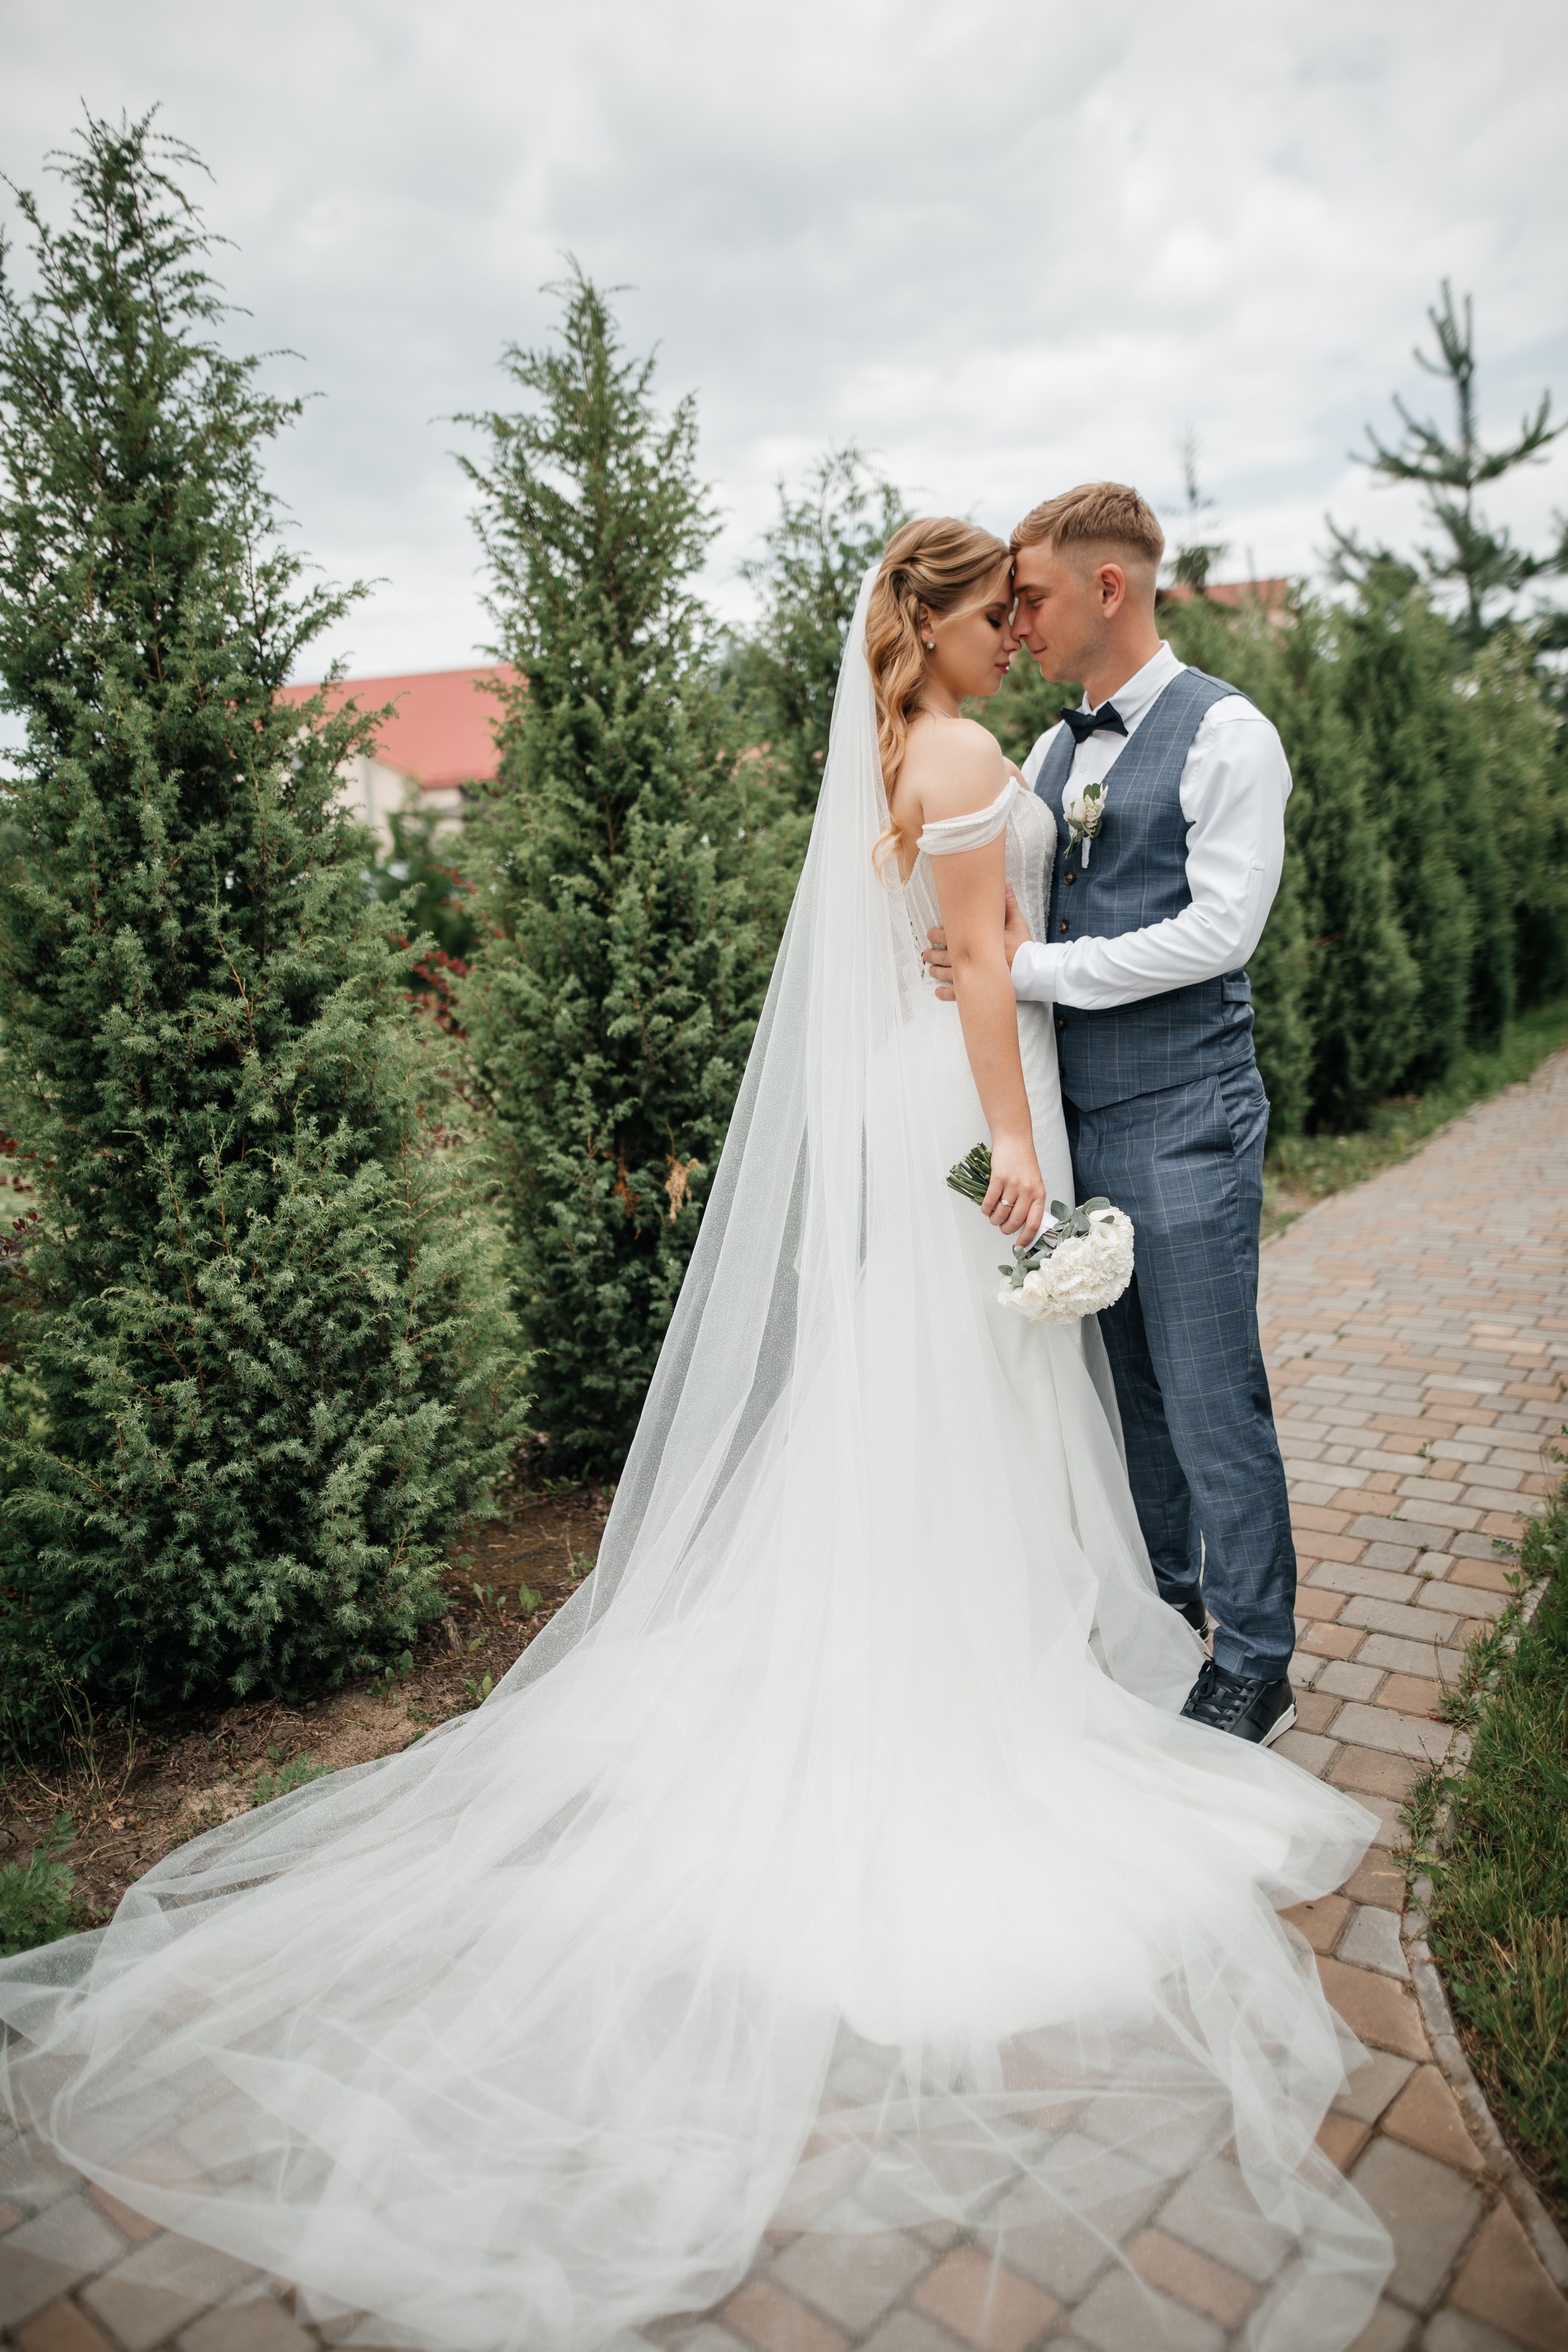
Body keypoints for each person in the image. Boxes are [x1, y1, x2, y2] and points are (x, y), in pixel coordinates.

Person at [0, 524, 1389, 2352]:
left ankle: (970, 1650)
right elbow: (981, 970)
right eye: (997, 613)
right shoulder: (977, 754)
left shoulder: (925, 752)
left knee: (945, 1417)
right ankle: (980, 1696)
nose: (1017, 633)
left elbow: (985, 946)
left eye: (1031, 608)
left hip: (955, 1091)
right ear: (946, 620)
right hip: (985, 1099)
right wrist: (1026, 1149)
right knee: (985, 1411)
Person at [925, 483, 1298, 1747]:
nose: (1013, 619)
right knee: (1115, 1395)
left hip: (1184, 1109)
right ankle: (1157, 1615)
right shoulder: (1042, 750)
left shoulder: (1225, 736)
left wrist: (1028, 972)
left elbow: (1215, 933)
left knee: (1206, 1396)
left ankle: (1252, 1658)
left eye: (1027, 594)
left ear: (1107, 587)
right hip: (1071, 1118)